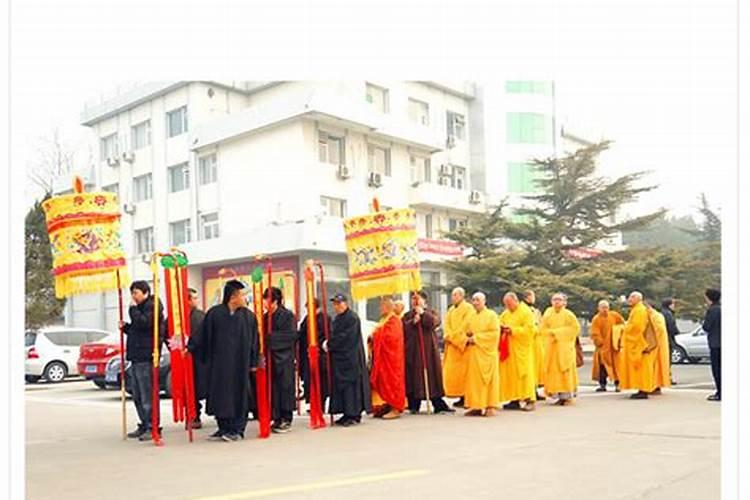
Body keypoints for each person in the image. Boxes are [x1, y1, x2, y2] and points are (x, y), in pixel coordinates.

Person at [187, 280, 259, 442]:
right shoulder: (215, 314)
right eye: (242, 295)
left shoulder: (248, 317)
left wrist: (254, 362)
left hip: (240, 365)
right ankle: (223, 427)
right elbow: (202, 335)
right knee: (220, 396)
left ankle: (237, 430)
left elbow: (255, 341)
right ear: (233, 296)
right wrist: (190, 347)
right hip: (219, 365)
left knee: (239, 396)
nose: (245, 298)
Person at [121, 281, 166, 441]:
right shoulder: (140, 309)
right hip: (136, 356)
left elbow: (145, 324)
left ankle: (153, 425)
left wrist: (132, 309)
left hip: (147, 356)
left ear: (145, 292)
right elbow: (138, 329)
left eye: (136, 293)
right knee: (138, 394)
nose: (133, 296)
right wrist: (126, 327)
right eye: (132, 293)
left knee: (148, 394)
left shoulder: (153, 306)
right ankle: (144, 422)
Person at [403, 291, 453, 414]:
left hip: (428, 351)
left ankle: (438, 404)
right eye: (413, 299)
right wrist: (413, 322)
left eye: (418, 299)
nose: (415, 301)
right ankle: (414, 405)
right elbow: (403, 328)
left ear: (424, 301)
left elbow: (434, 323)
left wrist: (423, 314)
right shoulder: (408, 315)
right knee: (414, 377)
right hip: (413, 352)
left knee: (431, 377)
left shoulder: (431, 313)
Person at [325, 294, 371, 426]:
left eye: (339, 303)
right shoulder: (337, 319)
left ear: (346, 304)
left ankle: (353, 414)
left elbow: (346, 338)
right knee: (343, 388)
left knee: (352, 388)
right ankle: (346, 413)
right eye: (335, 304)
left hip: (351, 358)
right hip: (340, 358)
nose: (337, 306)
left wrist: (330, 344)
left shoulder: (352, 318)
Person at [263, 286, 298, 433]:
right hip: (270, 358)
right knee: (273, 389)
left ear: (274, 301)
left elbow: (290, 336)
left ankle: (286, 418)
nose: (264, 302)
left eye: (266, 299)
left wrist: (271, 339)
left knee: (285, 387)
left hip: (284, 358)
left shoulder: (287, 315)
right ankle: (276, 417)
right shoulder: (265, 317)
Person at [498, 292, 537, 411]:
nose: (508, 307)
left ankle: (530, 399)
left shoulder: (526, 312)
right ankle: (514, 399)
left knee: (524, 374)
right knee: (511, 375)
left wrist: (513, 330)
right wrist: (502, 328)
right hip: (510, 348)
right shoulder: (506, 313)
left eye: (509, 304)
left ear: (516, 301)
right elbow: (500, 323)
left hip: (522, 349)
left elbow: (531, 330)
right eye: (506, 304)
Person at [463, 292, 501, 416]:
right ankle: (476, 406)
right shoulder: (471, 316)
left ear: (484, 301)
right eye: (473, 300)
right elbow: (465, 331)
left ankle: (490, 406)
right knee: (474, 381)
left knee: (488, 380)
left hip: (487, 353)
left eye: (478, 300)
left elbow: (495, 334)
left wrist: (477, 338)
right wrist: (466, 337)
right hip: (474, 354)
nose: (475, 302)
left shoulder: (492, 315)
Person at [540, 293, 581, 406]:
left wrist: (557, 333)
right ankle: (559, 396)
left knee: (565, 371)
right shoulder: (548, 314)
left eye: (559, 300)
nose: (556, 302)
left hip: (564, 349)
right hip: (552, 348)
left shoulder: (569, 315)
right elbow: (542, 329)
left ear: (564, 302)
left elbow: (575, 329)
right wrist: (549, 334)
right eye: (554, 300)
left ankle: (567, 397)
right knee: (554, 372)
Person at [370, 296, 406, 419]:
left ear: (388, 306)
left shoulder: (394, 320)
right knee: (382, 381)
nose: (380, 308)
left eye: (382, 305)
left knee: (392, 381)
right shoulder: (384, 319)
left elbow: (391, 338)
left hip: (392, 358)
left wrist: (376, 335)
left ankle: (395, 408)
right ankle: (385, 405)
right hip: (383, 357)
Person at [619, 291, 657, 399]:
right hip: (638, 343)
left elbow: (637, 328)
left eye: (632, 297)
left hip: (640, 344)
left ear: (638, 299)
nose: (629, 299)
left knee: (642, 368)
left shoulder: (640, 310)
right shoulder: (636, 310)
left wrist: (625, 328)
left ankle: (643, 390)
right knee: (641, 368)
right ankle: (641, 389)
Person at [442, 287, 474, 408]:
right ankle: (459, 396)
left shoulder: (468, 308)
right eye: (452, 295)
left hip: (462, 346)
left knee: (464, 373)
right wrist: (449, 336)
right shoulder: (450, 310)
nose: (453, 297)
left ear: (461, 296)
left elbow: (466, 325)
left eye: (455, 295)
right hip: (452, 346)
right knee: (453, 373)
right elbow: (447, 325)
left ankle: (466, 396)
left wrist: (453, 337)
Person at [298, 298, 330, 411]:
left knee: (321, 382)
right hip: (307, 355)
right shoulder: (308, 318)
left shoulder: (324, 318)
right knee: (309, 381)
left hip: (320, 356)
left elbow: (326, 336)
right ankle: (313, 403)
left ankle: (320, 405)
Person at [590, 300, 625, 392]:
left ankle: (618, 385)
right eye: (603, 307)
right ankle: (602, 385)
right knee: (602, 367)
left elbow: (622, 325)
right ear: (598, 308)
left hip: (614, 347)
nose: (605, 309)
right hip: (603, 348)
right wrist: (600, 343)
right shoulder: (596, 319)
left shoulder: (614, 315)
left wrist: (618, 339)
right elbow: (595, 333)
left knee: (617, 367)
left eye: (606, 307)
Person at [187, 288, 207, 429]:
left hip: (200, 357)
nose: (196, 301)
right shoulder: (177, 317)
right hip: (185, 357)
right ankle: (193, 415)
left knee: (199, 386)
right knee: (189, 388)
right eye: (194, 298)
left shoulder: (200, 316)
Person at [522, 290, 545, 400]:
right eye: (533, 296)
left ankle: (534, 390)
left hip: (536, 342)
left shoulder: (534, 310)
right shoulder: (524, 310)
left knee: (535, 368)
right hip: (528, 342)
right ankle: (529, 392)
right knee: (530, 368)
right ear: (528, 297)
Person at [703, 289, 721, 401]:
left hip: (715, 343)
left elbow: (706, 327)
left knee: (717, 369)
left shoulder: (712, 310)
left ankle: (720, 392)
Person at [649, 304, 671, 394]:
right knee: (658, 367)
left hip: (654, 345)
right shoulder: (659, 316)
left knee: (654, 367)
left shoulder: (653, 316)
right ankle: (656, 386)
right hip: (660, 344)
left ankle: (654, 386)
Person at [660, 298, 679, 385]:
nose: (674, 306)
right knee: (667, 359)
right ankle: (667, 378)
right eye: (673, 304)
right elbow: (671, 326)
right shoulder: (668, 314)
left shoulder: (661, 313)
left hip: (662, 338)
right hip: (667, 339)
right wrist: (676, 332)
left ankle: (665, 377)